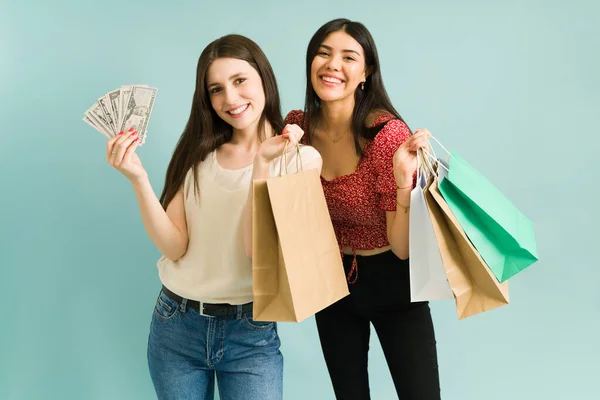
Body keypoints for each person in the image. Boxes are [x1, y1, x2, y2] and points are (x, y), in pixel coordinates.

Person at [106, 34, 322, 400]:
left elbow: (256, 248)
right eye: (216, 89)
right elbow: (174, 246)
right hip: (176, 324)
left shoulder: (300, 160)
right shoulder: (197, 153)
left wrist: (262, 165)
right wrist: (138, 179)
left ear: (263, 78)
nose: (231, 99)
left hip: (250, 330)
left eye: (240, 81)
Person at [285, 18, 440, 399]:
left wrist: (404, 183)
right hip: (332, 282)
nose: (332, 64)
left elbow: (403, 248)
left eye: (348, 57)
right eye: (323, 53)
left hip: (392, 279)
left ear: (365, 72)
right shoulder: (296, 128)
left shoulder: (387, 135)